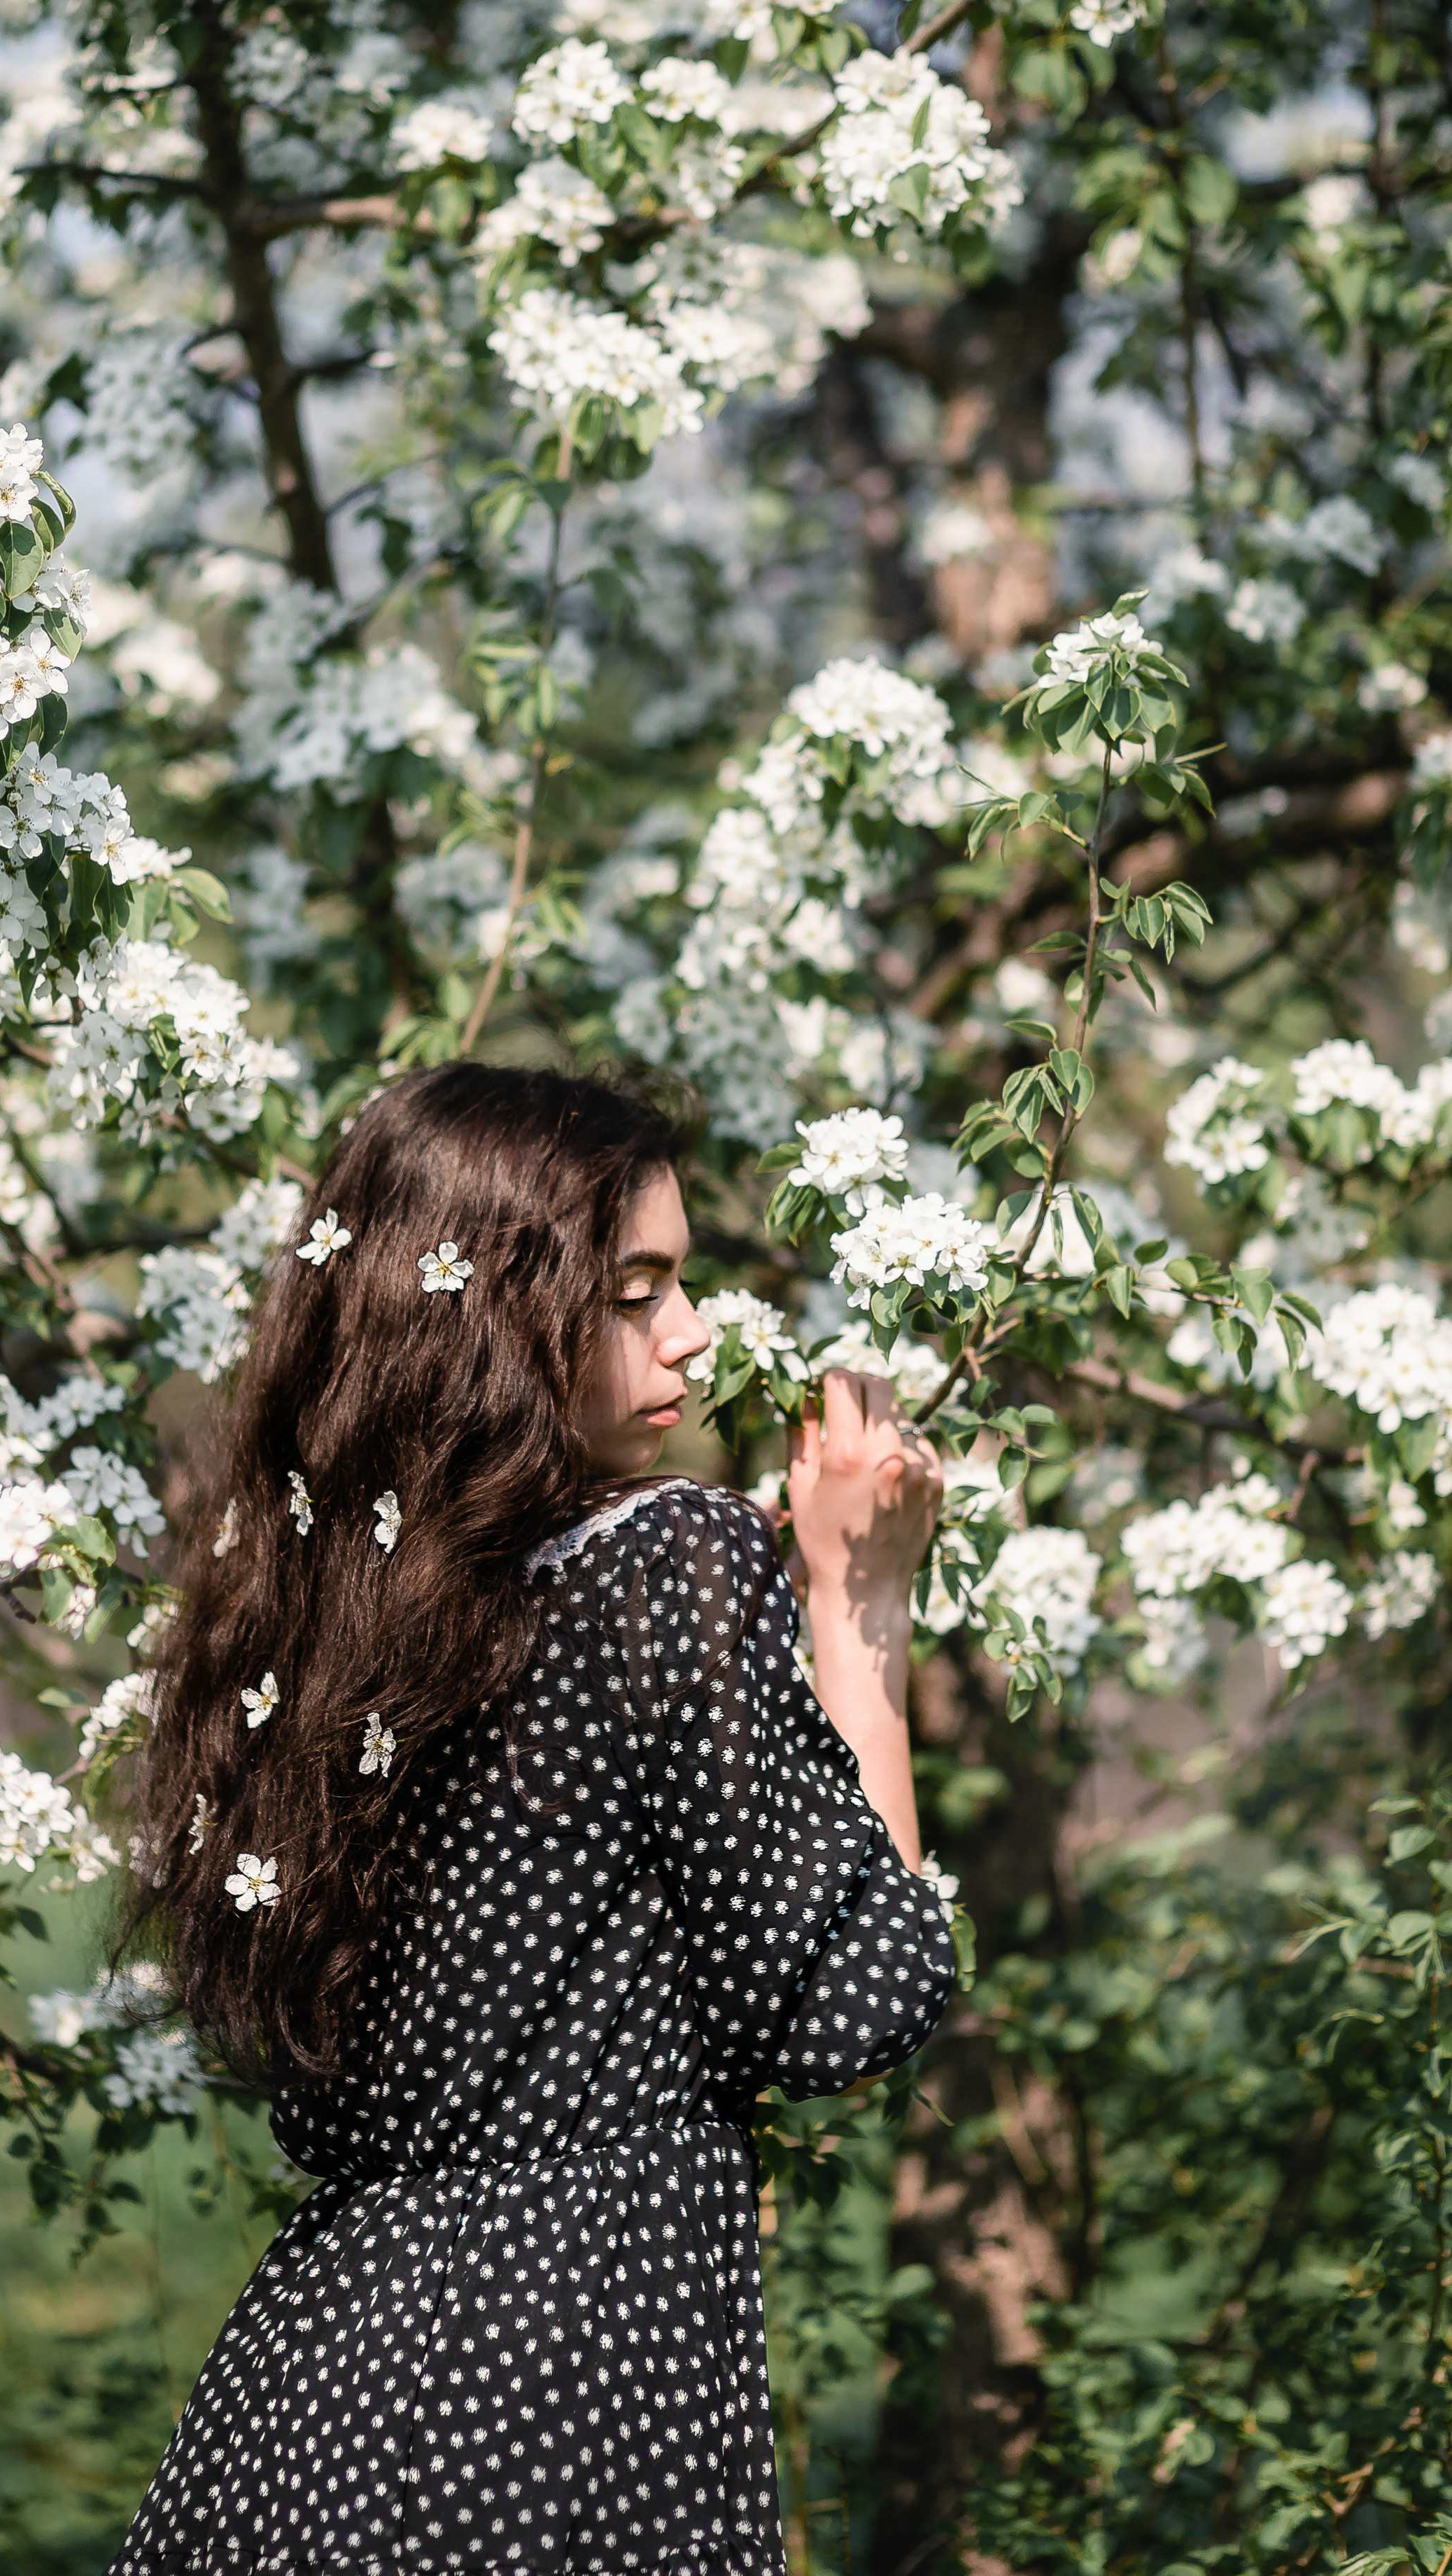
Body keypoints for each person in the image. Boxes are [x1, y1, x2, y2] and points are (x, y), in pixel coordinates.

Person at [107, 1061, 955, 2576]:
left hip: (296, 2418)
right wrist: (856, 1601)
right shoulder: (657, 1565)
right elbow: (851, 2003)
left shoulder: (320, 1628)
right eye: (637, 1293)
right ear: (491, 1318)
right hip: (562, 2407)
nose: (688, 1332)